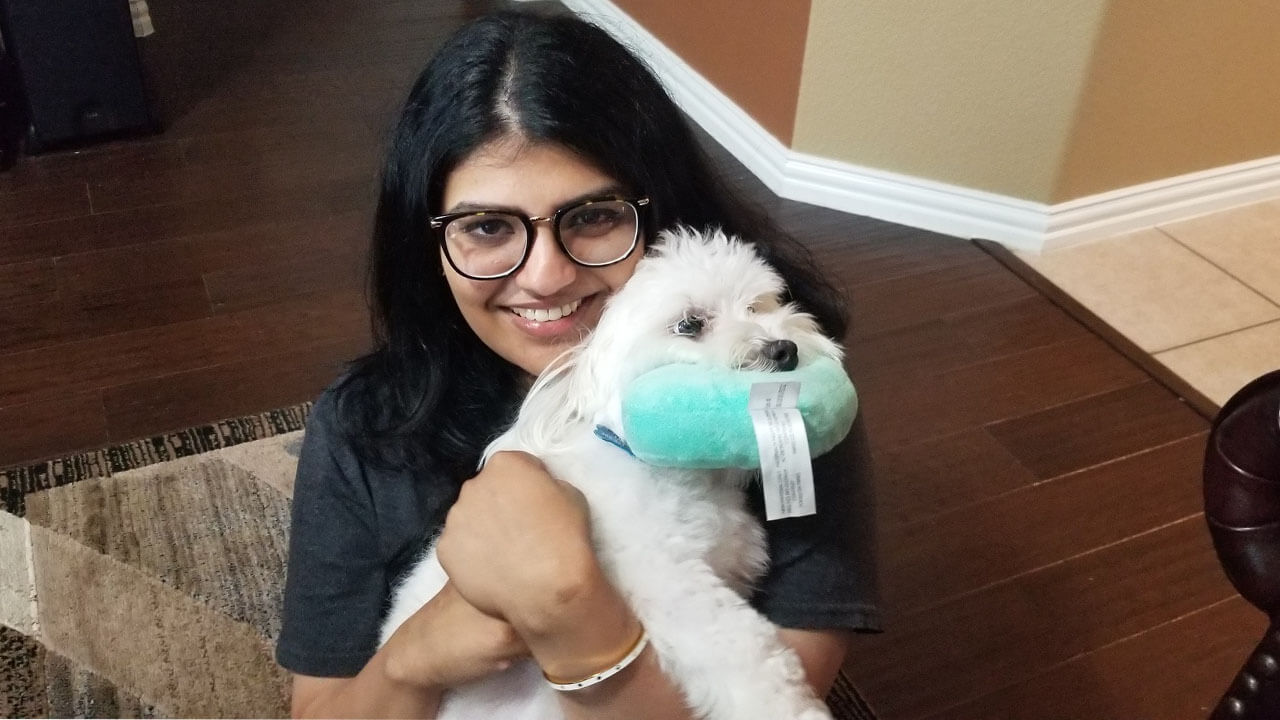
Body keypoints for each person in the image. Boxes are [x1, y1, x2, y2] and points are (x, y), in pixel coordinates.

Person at [275, 8, 881, 719]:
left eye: (594, 217)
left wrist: (574, 617)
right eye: (489, 227)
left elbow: (779, 696)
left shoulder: (777, 403)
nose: (547, 277)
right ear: (429, 244)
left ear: (661, 219)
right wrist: (421, 655)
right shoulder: (362, 426)